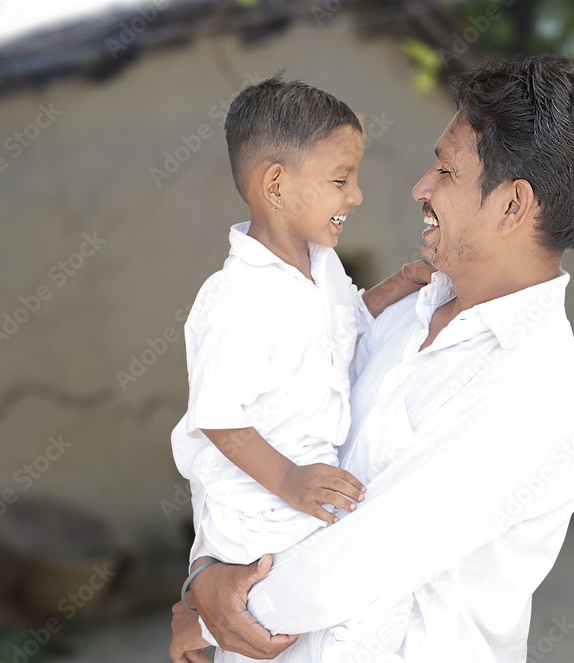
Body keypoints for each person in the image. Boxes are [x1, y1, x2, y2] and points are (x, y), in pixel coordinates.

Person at [170, 55, 574, 663]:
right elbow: (257, 431)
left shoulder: (534, 392)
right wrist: (204, 566)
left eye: (446, 169)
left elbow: (352, 566)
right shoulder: (395, 315)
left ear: (513, 206)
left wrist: (205, 616)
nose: (421, 186)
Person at [169, 73, 436, 662]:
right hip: (259, 515)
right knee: (271, 629)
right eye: (341, 180)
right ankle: (199, 623)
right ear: (276, 186)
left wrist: (392, 288)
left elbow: (344, 329)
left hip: (305, 506)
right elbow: (217, 417)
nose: (357, 196)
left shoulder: (324, 268)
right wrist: (288, 479)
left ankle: (199, 623)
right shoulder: (236, 297)